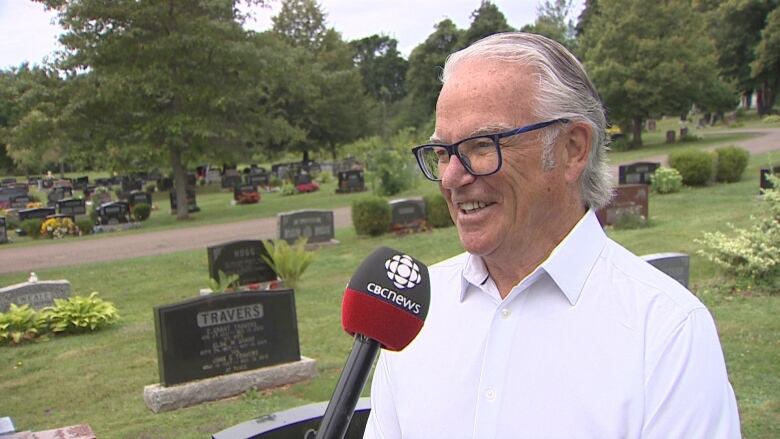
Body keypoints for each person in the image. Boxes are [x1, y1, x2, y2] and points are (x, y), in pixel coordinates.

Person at [364, 32, 740, 439]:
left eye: (482, 145)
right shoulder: (415, 312)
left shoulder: (667, 332)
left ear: (573, 149)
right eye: (442, 152)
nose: (452, 177)